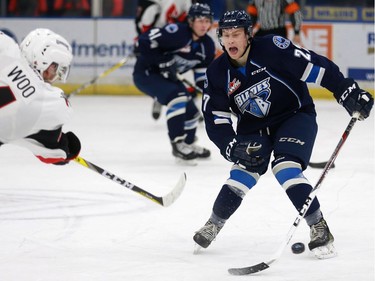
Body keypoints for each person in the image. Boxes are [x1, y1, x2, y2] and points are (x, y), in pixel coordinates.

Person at [193, 10, 373, 259]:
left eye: (236, 34)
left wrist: (345, 90)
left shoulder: (273, 50)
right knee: (242, 171)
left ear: (248, 35)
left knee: (285, 168)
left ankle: (318, 225)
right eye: (225, 35)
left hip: (294, 116)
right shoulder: (217, 72)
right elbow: (216, 118)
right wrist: (230, 145)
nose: (231, 41)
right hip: (253, 128)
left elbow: (316, 67)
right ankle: (214, 222)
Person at [133, 3, 215, 164]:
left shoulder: (207, 46)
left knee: (192, 112)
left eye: (207, 21)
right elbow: (142, 41)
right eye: (200, 20)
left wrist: (209, 93)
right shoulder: (177, 32)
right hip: (146, 74)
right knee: (177, 98)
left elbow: (200, 76)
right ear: (191, 21)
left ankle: (189, 144)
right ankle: (177, 144)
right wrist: (162, 61)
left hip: (169, 78)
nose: (204, 25)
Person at [0, 30, 81, 165]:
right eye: (55, 69)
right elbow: (52, 154)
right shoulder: (47, 100)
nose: (54, 77)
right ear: (43, 61)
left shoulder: (6, 47)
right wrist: (60, 146)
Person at [135, 0, 192, 120]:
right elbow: (144, 18)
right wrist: (141, 40)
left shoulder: (186, 2)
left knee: (178, 72)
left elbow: (190, 17)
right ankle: (160, 98)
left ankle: (190, 106)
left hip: (174, 39)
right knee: (157, 72)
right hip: (156, 41)